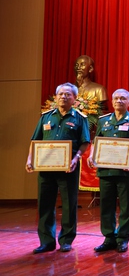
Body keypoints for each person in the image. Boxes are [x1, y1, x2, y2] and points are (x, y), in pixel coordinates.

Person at [25, 82, 91, 254]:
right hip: (45, 168)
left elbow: (85, 142)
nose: (64, 97)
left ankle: (66, 240)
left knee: (69, 204)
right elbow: (35, 140)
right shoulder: (46, 117)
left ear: (74, 98)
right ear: (56, 97)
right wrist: (30, 159)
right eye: (61, 94)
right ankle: (46, 241)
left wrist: (76, 158)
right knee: (45, 204)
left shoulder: (80, 118)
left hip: (68, 168)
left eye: (68, 94)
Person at [88, 89, 129, 253]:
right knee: (106, 206)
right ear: (112, 101)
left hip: (126, 171)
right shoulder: (103, 120)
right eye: (116, 98)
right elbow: (96, 141)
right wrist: (92, 155)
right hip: (106, 171)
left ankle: (122, 239)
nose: (119, 101)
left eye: (123, 98)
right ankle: (109, 238)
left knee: (126, 207)